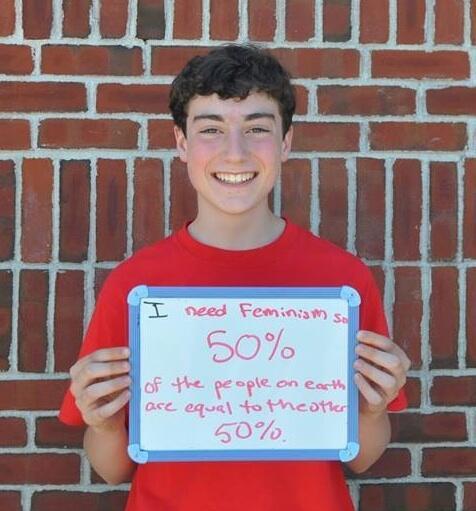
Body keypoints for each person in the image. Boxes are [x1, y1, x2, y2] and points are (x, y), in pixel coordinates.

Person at [59, 44, 410, 511]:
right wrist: (101, 423)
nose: (235, 152)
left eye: (257, 128)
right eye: (211, 129)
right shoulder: (135, 285)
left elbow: (361, 459)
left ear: (285, 142)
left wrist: (372, 408)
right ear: (182, 144)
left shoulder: (340, 280)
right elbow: (112, 468)